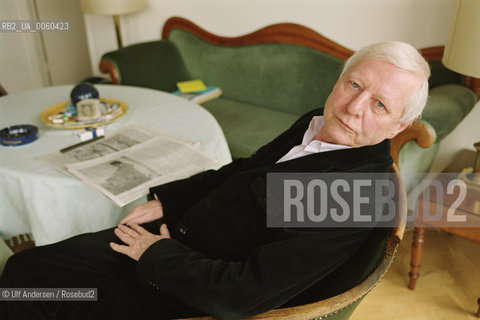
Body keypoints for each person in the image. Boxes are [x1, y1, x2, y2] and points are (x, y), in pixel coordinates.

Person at [0, 41, 430, 320]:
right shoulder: (316, 125)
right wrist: (170, 201)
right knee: (25, 270)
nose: (354, 107)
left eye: (379, 104)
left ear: (399, 126)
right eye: (353, 84)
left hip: (189, 283)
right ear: (339, 80)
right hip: (178, 234)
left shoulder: (351, 195)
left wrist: (159, 253)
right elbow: (245, 170)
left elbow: (242, 294)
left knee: (46, 300)